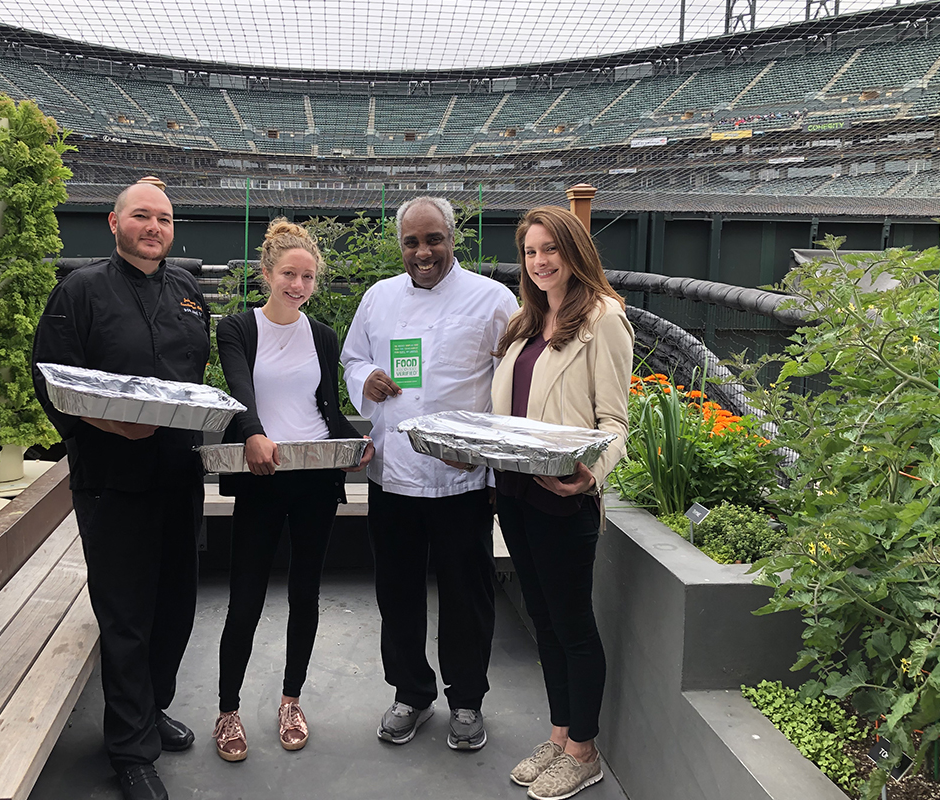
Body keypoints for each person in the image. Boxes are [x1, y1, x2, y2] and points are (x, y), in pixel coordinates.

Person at [32, 180, 209, 800]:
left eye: (163, 217)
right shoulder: (79, 290)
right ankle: (130, 750)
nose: (154, 226)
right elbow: (51, 382)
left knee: (176, 603)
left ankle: (152, 708)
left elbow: (195, 380)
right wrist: (113, 424)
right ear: (114, 222)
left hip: (179, 472)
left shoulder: (188, 291)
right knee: (127, 614)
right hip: (114, 479)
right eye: (142, 215)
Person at [341, 196, 519, 751]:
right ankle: (411, 693)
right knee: (396, 592)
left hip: (460, 479)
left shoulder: (493, 301)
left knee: (467, 594)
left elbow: (508, 385)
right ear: (401, 245)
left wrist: (490, 463)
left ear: (452, 237)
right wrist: (367, 376)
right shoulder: (378, 299)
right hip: (393, 474)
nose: (424, 252)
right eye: (413, 242)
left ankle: (466, 699)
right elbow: (350, 358)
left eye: (434, 239)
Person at [212, 218, 373, 761]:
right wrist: (253, 433)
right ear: (267, 273)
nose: (298, 285)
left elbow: (326, 407)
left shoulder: (322, 335)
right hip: (261, 476)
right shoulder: (237, 328)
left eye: (307, 277)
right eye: (288, 274)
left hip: (315, 478)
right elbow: (239, 394)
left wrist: (358, 444)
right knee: (247, 595)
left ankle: (290, 699)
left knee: (305, 594)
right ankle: (227, 709)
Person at [489, 206, 632, 800]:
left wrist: (589, 476)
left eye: (550, 249)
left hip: (563, 499)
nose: (540, 261)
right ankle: (558, 734)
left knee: (573, 626)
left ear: (574, 251)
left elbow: (616, 422)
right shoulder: (526, 322)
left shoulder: (604, 320)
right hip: (517, 493)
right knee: (543, 621)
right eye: (530, 251)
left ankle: (584, 749)